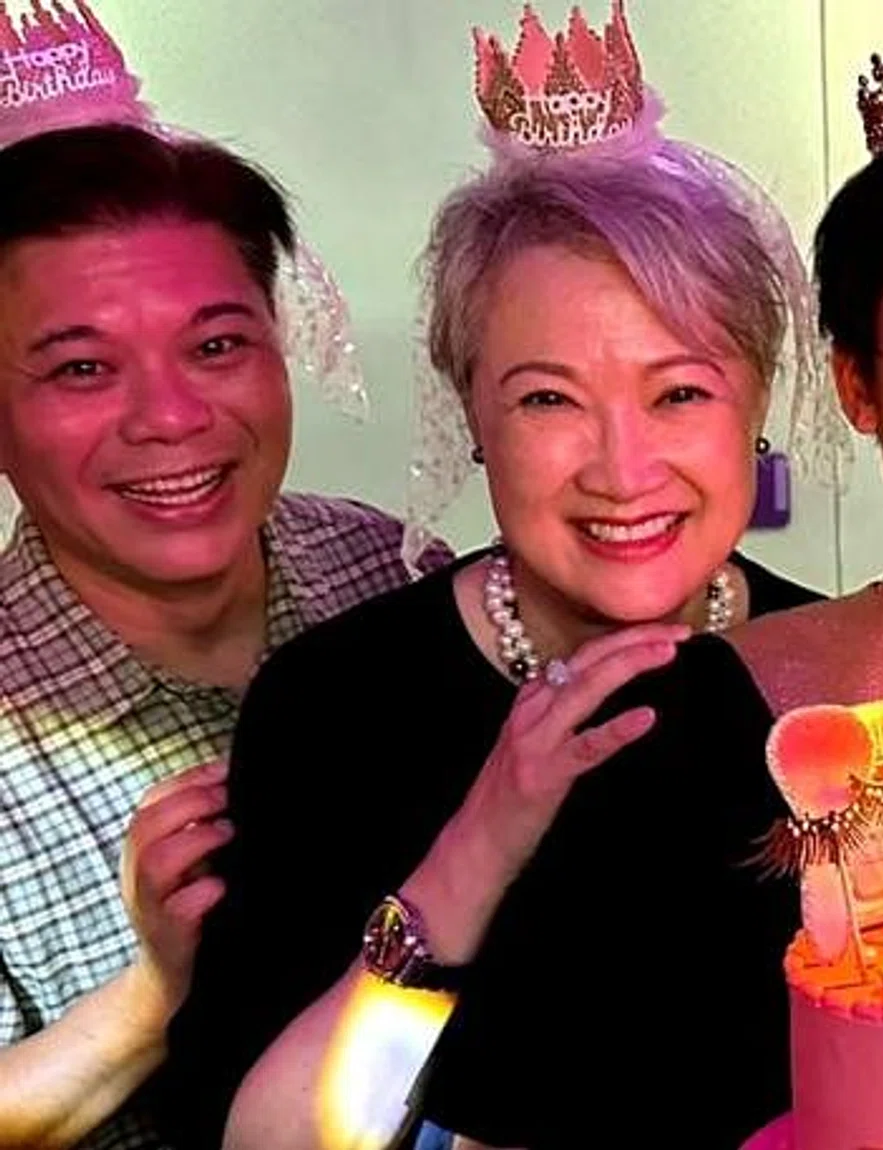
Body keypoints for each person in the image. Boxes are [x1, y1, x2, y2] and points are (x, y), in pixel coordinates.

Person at [158, 9, 883, 1147]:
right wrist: (478, 849)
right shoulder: (620, 745)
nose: (624, 466)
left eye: (680, 392)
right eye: (549, 397)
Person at [0, 33, 436, 1150]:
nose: (173, 418)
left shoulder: (393, 577)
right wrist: (156, 992)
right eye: (83, 368)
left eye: (217, 344)